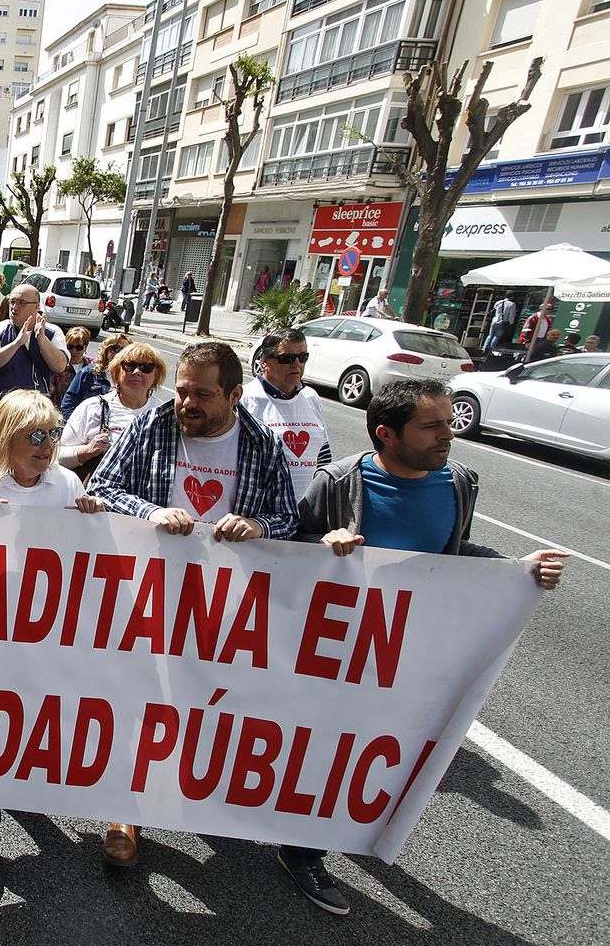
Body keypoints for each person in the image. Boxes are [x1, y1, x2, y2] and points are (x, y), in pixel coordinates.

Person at [295, 379, 567, 915]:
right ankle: (302, 851)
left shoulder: (460, 482)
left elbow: (453, 549)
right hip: (336, 649)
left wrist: (517, 569)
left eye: (449, 421)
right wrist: (321, 544)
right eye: (433, 425)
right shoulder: (339, 481)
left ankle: (338, 832)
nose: (450, 433)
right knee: (322, 748)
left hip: (408, 653)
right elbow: (284, 548)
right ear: (387, 435)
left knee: (373, 753)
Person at [87, 341, 297, 869]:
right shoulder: (150, 426)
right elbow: (104, 487)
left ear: (234, 394)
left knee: (206, 698)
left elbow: (288, 517)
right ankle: (124, 813)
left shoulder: (262, 444)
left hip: (221, 603)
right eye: (182, 391)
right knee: (137, 695)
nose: (186, 403)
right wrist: (151, 511)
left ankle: (198, 796)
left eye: (202, 394)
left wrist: (258, 525)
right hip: (148, 591)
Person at [0, 389, 104, 891]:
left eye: (54, 434)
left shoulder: (66, 483)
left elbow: (89, 559)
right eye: (35, 436)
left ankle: (26, 790)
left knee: (36, 722)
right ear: (5, 439)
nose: (47, 446)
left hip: (46, 636)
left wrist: (90, 521)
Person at [242, 329, 332, 502]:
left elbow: (323, 457)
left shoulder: (311, 397)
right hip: (265, 515)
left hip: (307, 514)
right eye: (287, 358)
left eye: (302, 357)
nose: (296, 364)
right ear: (265, 360)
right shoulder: (246, 399)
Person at [0, 283, 69, 442]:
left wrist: (41, 339)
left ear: (36, 306)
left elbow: (59, 365)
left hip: (33, 419)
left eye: (21, 303)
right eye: (12, 302)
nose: (14, 307)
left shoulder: (53, 332)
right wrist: (16, 344)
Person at [59, 341, 168, 479]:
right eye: (129, 365)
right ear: (116, 371)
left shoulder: (164, 415)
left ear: (156, 375)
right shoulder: (92, 407)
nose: (137, 372)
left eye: (146, 367)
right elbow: (58, 457)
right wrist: (87, 451)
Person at [60, 333, 129, 421]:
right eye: (115, 349)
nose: (120, 353)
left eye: (125, 350)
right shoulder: (89, 373)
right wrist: (76, 426)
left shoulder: (134, 377)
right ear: (106, 351)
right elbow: (69, 403)